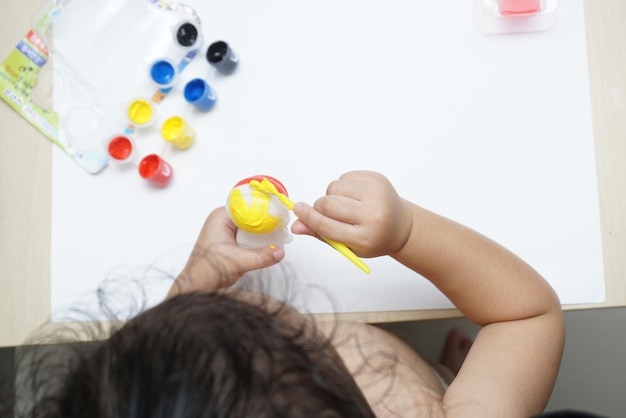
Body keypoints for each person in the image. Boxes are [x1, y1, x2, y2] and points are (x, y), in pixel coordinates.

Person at [16, 170, 565, 418]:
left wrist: (192, 286)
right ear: (340, 385)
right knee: (473, 379)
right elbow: (526, 316)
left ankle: (444, 368)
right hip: (445, 395)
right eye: (295, 327)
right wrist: (407, 231)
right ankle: (447, 374)